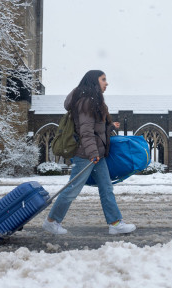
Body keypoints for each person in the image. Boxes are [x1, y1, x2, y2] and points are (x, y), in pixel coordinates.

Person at [42, 70, 137, 235]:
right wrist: (93, 153)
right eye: (103, 80)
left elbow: (94, 130)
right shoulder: (86, 102)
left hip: (95, 154)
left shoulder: (94, 102)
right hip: (85, 155)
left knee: (106, 189)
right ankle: (52, 221)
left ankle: (115, 223)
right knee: (72, 189)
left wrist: (109, 127)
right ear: (94, 81)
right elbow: (86, 132)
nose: (106, 83)